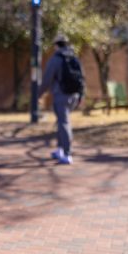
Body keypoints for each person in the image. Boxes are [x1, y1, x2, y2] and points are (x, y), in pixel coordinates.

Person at [38, 35, 84, 165]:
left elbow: (47, 80)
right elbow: (82, 78)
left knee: (64, 123)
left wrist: (38, 95)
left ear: (56, 45)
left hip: (61, 95)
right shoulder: (74, 57)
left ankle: (67, 154)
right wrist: (81, 96)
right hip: (74, 96)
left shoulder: (56, 59)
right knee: (61, 121)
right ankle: (60, 150)